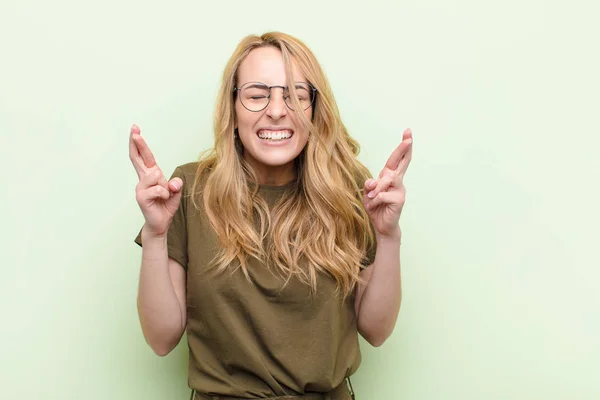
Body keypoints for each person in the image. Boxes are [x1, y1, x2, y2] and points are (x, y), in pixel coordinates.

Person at [130, 31, 412, 400]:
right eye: (257, 95)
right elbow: (161, 339)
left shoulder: (351, 188)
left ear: (314, 107)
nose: (277, 110)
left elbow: (376, 330)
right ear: (232, 108)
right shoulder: (190, 188)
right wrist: (155, 234)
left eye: (295, 95)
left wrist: (388, 236)